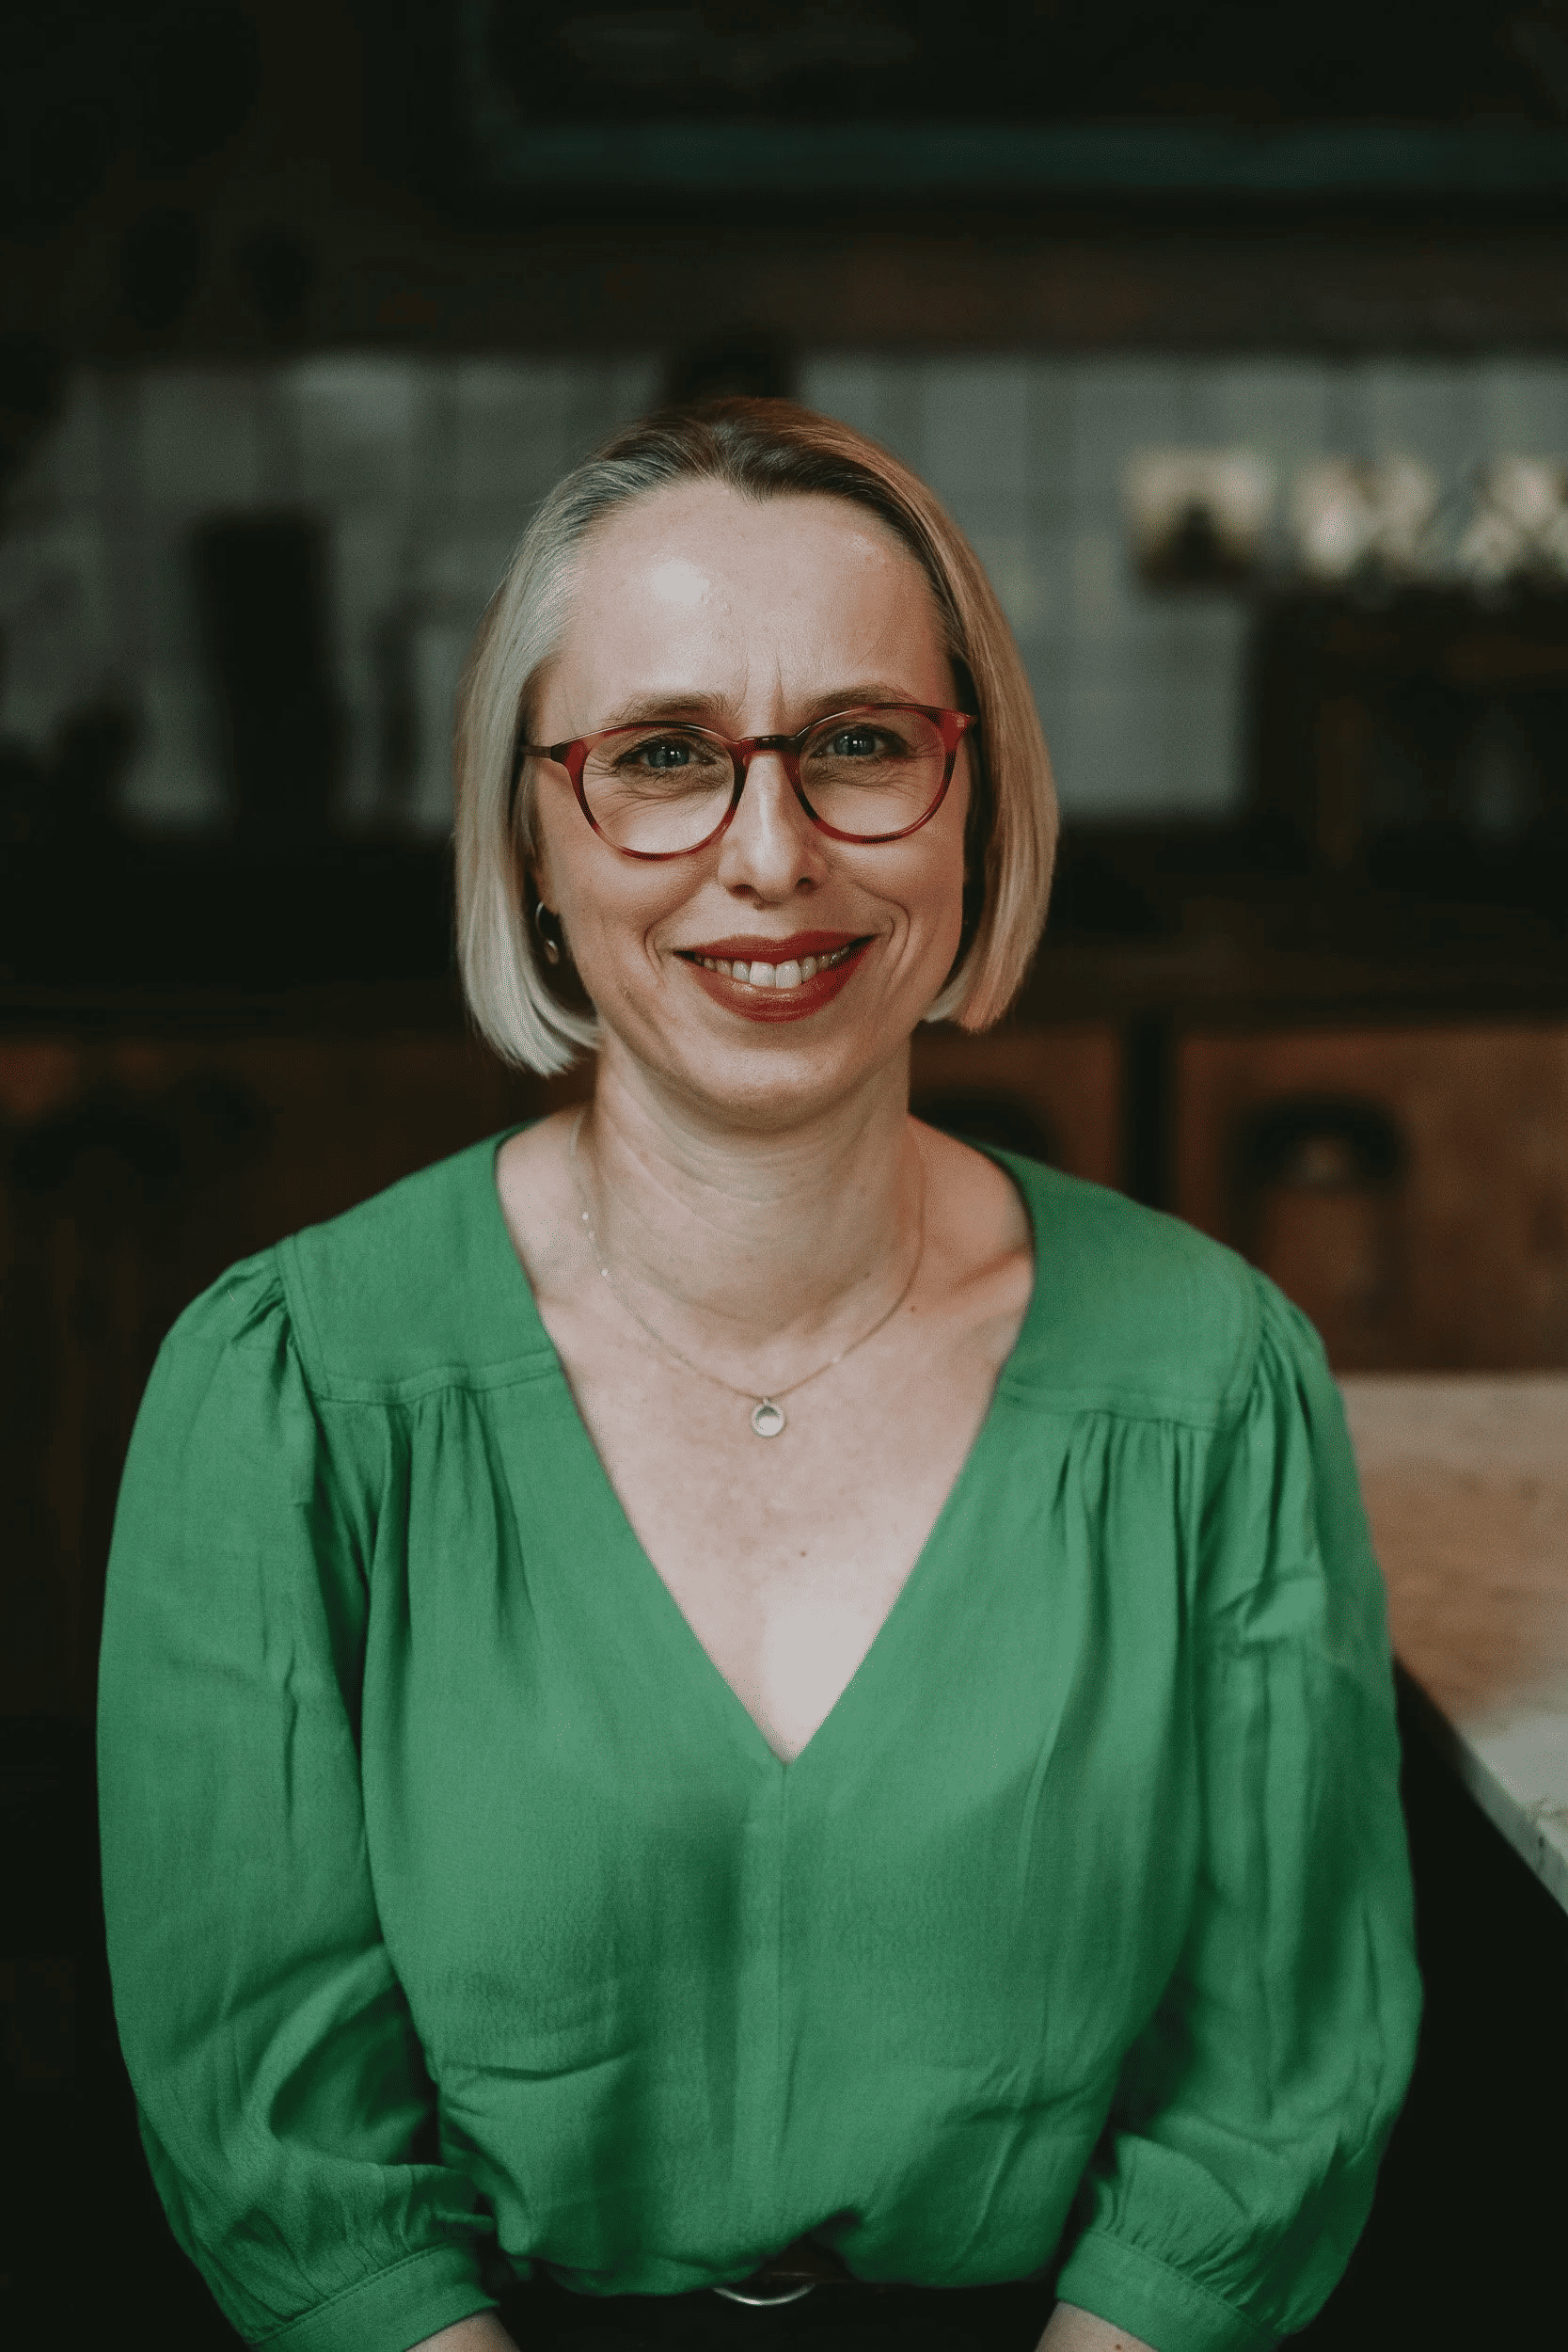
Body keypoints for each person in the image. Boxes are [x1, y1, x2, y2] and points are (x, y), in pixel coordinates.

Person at [98, 399, 1421, 2352]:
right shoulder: (288, 1388)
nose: (770, 852)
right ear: (531, 834)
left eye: (860, 745)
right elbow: (280, 2134)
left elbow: (1272, 2081)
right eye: (658, 757)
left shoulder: (1213, 1382)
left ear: (969, 802)